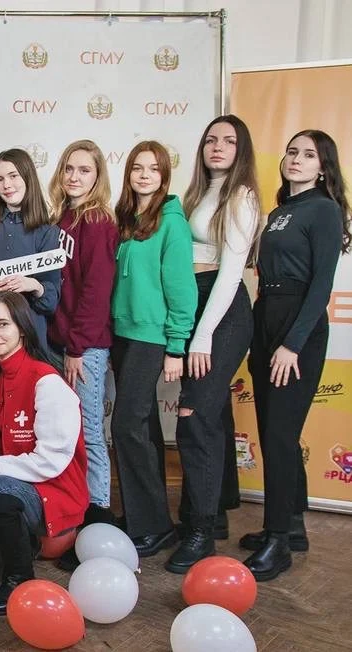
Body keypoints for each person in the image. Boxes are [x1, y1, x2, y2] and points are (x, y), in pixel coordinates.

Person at [241, 130, 348, 581]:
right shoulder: (282, 210)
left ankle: (278, 540)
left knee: (280, 435)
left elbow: (321, 285)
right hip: (267, 316)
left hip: (297, 326)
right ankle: (293, 526)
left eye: (308, 155)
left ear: (323, 167)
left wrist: (292, 344)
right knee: (273, 432)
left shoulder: (324, 209)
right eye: (291, 152)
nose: (296, 160)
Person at [0, 292, 87, 616]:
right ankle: (25, 541)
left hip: (53, 490)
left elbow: (51, 459)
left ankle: (19, 577)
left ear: (22, 329)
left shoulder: (46, 380)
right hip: (12, 485)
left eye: (2, 324)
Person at [166, 116, 262, 573]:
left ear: (241, 150)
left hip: (222, 312)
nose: (217, 147)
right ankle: (212, 513)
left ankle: (201, 533)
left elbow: (230, 273)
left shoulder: (240, 196)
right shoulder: (197, 193)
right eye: (210, 140)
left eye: (228, 141)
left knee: (195, 419)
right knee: (213, 412)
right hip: (196, 302)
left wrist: (203, 335)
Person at [111, 141, 197, 557]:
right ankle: (144, 517)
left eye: (153, 169)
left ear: (164, 175)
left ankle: (154, 525)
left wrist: (176, 346)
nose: (144, 175)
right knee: (142, 427)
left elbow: (182, 289)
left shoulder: (172, 223)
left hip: (151, 337)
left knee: (126, 426)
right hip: (122, 333)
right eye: (137, 168)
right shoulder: (127, 218)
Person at [47, 140, 120, 530]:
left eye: (84, 170)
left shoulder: (97, 222)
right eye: (69, 168)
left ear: (98, 177)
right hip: (61, 342)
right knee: (66, 432)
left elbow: (96, 292)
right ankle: (75, 510)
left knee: (89, 430)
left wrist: (77, 347)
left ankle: (99, 513)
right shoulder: (62, 218)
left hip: (84, 347)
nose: (74, 177)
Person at [0, 149, 61, 353]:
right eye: (0, 179)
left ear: (28, 177)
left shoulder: (48, 232)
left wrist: (32, 285)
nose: (7, 185)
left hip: (29, 333)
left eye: (13, 176)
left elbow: (51, 302)